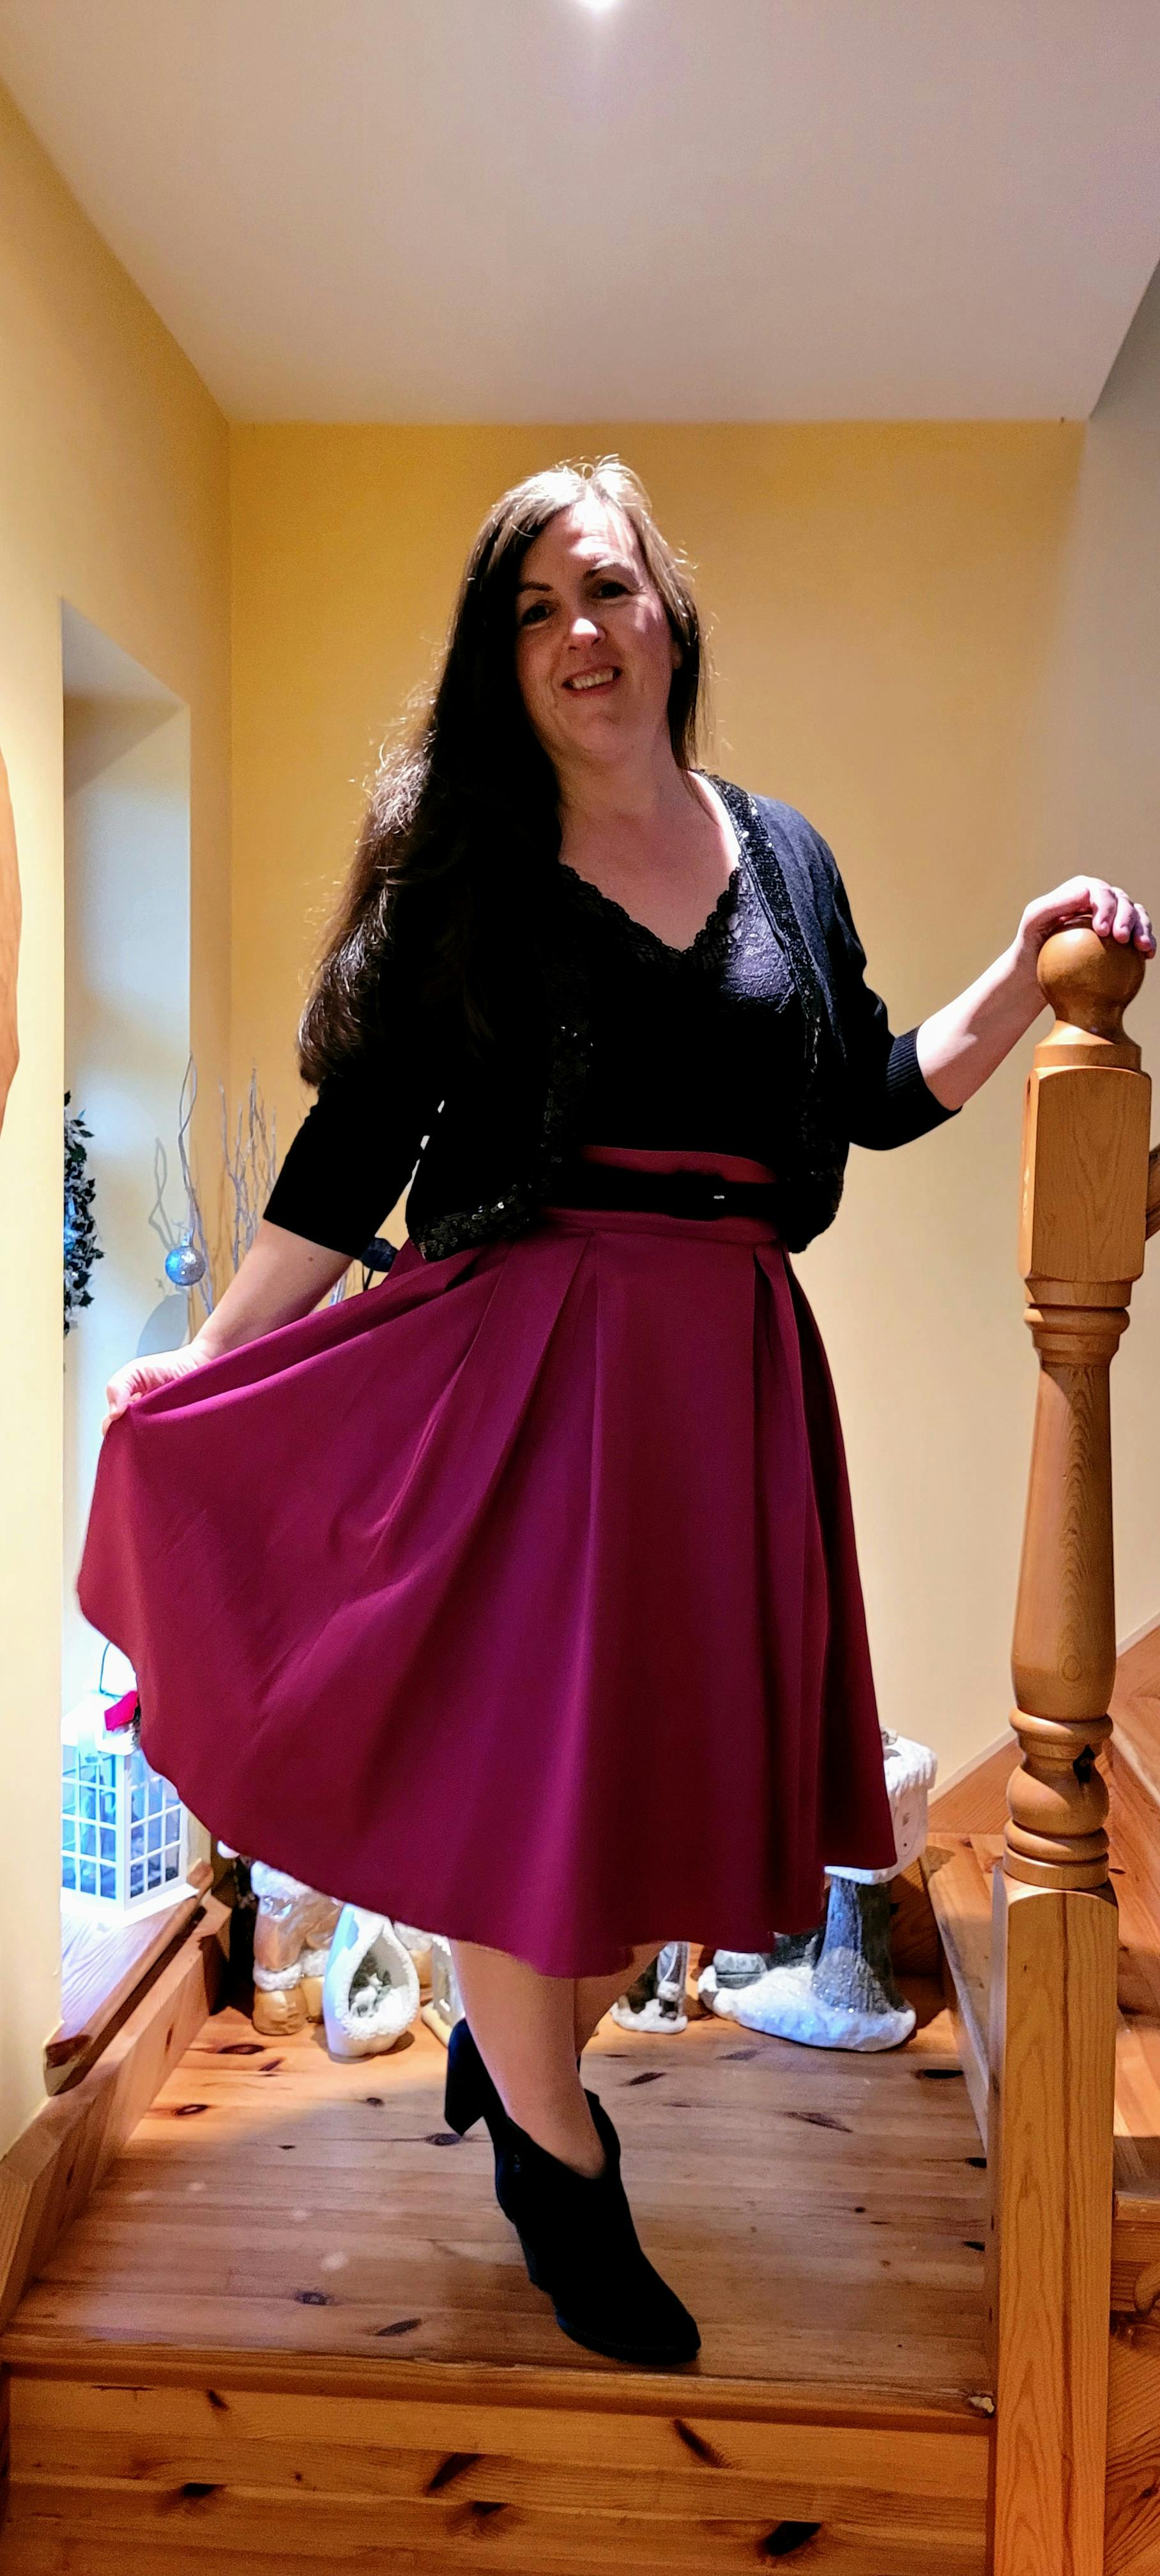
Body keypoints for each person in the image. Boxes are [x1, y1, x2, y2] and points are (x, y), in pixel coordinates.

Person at [82, 458, 1154, 2373]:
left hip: (726, 1372)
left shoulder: (784, 857)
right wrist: (220, 1355)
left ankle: (515, 2072)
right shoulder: (477, 873)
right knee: (529, 1781)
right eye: (533, 612)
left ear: (670, 614)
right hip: (528, 1364)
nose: (578, 634)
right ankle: (564, 2179)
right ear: (504, 663)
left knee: (653, 1775)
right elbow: (352, 1151)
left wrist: (1021, 969)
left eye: (605, 589)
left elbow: (872, 1090)